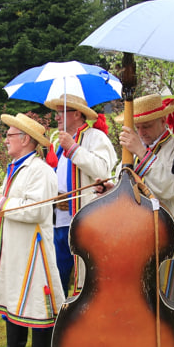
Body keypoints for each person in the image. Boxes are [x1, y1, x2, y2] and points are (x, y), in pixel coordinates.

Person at [0, 113, 65, 347]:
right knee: (13, 293)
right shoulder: (17, 166)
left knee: (36, 300)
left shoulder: (39, 170)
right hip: (16, 244)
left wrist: (2, 202)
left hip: (34, 247)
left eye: (9, 135)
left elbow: (35, 210)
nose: (5, 140)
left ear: (25, 139)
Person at [117, 94, 174, 347]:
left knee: (169, 296)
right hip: (138, 232)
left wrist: (141, 150)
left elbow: (171, 188)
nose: (141, 132)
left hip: (169, 232)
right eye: (138, 127)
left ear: (163, 120)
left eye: (147, 126)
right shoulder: (137, 146)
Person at [44, 95, 117, 295]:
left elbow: (103, 170)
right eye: (56, 113)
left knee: (86, 277)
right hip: (59, 221)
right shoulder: (59, 140)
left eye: (61, 112)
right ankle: (60, 319)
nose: (56, 118)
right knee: (58, 276)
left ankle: (85, 320)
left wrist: (74, 149)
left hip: (85, 220)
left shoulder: (96, 137)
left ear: (77, 114)